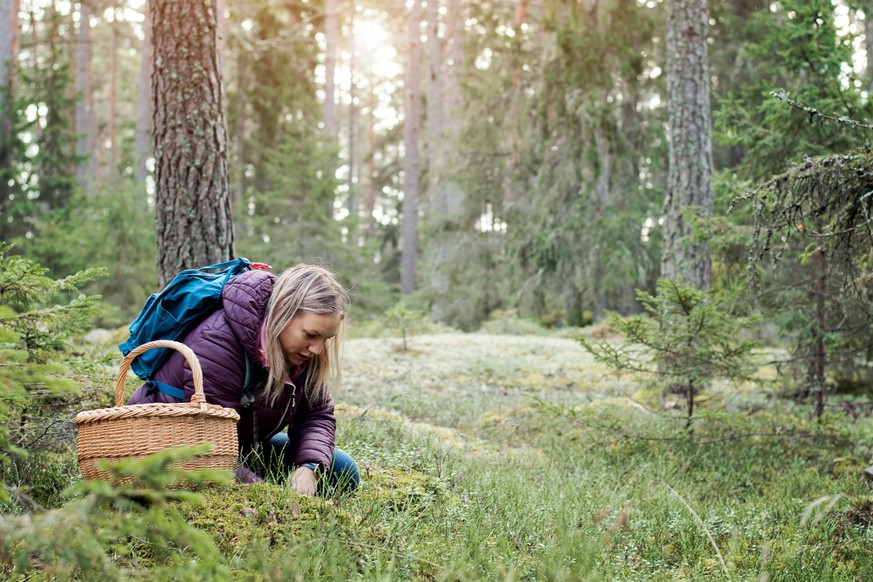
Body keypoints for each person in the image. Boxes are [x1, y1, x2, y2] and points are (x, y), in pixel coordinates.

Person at [126, 263, 360, 495]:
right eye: (311, 335)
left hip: (236, 445)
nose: (318, 349)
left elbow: (316, 415)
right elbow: (212, 446)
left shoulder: (303, 352)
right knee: (225, 492)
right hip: (174, 445)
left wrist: (309, 469)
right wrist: (264, 495)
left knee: (342, 471)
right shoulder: (217, 342)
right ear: (282, 310)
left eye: (326, 339)